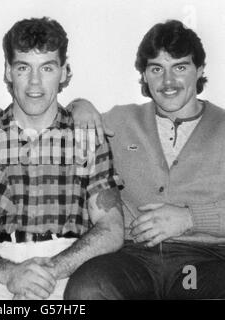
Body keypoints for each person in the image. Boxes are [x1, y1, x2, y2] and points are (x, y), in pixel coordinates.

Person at [0, 16, 124, 300]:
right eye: (23, 67)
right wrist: (9, 272)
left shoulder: (87, 136)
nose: (34, 83)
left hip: (71, 265)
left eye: (47, 68)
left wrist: (48, 271)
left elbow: (111, 228)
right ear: (8, 71)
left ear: (64, 73)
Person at [62, 20, 225, 299]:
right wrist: (77, 105)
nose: (168, 81)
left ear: (200, 70)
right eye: (157, 69)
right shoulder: (120, 120)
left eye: (180, 67)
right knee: (87, 290)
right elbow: (56, 133)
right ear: (145, 75)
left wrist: (190, 218)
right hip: (133, 259)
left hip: (205, 260)